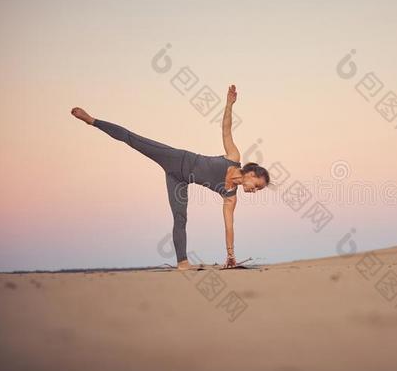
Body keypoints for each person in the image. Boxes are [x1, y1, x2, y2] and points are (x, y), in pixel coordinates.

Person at [70, 84, 270, 270]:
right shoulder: (233, 157)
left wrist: (231, 255)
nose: (255, 191)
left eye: (258, 189)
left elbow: (229, 226)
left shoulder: (230, 197)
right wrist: (229, 104)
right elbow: (226, 130)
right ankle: (92, 121)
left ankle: (182, 263)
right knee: (134, 139)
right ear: (252, 173)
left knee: (180, 218)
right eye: (257, 185)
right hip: (176, 158)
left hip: (178, 181)